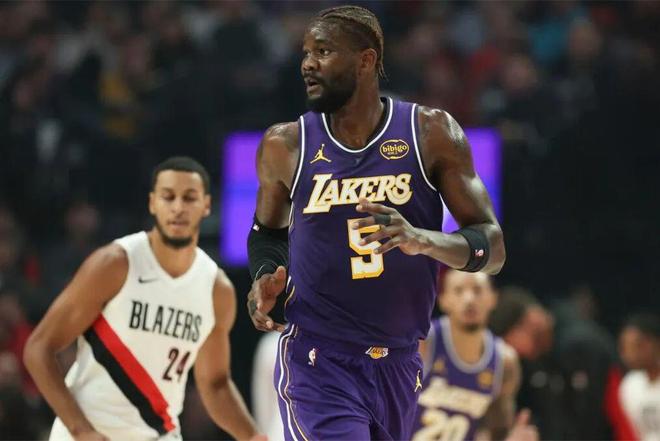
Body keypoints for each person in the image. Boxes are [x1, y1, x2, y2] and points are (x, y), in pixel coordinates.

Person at [246, 5, 505, 440]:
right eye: (306, 52)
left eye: (323, 51)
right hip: (318, 361)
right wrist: (263, 275)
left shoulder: (431, 133)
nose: (307, 63)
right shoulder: (286, 144)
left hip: (399, 362)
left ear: (365, 60)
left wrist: (423, 240)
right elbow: (266, 234)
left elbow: (492, 248)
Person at [24, 157, 263, 441]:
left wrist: (253, 436)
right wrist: (81, 429)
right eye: (168, 196)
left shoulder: (216, 289)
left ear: (207, 205)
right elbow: (38, 348)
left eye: (189, 197)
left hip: (157, 433)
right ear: (152, 203)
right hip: (89, 432)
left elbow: (215, 384)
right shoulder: (115, 263)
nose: (178, 207)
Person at [413, 269, 537, 441]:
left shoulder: (505, 361)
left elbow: (496, 432)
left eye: (477, 290)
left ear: (493, 298)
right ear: (443, 300)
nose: (469, 299)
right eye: (458, 291)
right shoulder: (422, 343)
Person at [619, 313, 660, 441]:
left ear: (654, 343)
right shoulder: (629, 385)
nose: (628, 355)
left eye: (636, 346)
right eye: (624, 347)